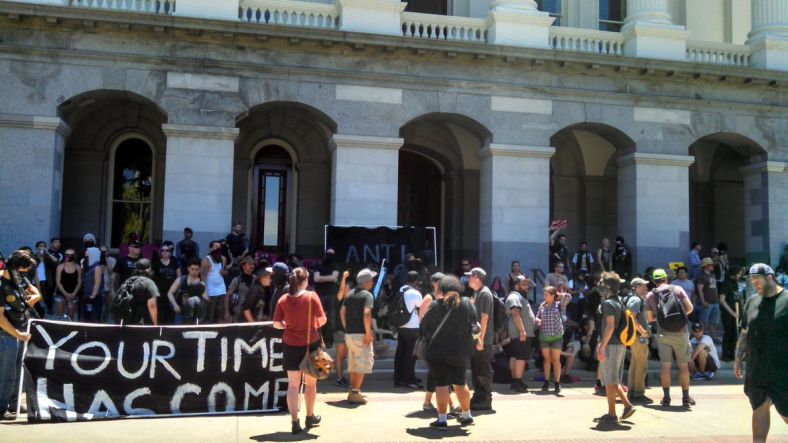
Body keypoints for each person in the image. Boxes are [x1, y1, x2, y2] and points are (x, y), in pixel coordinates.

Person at [734, 263, 787, 443]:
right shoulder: (752, 301)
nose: (754, 283)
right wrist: (738, 358)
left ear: (770, 278)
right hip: (758, 369)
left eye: (757, 279)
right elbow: (744, 331)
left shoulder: (786, 300)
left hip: (783, 370)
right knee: (759, 406)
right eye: (752, 279)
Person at [272, 267, 326, 434]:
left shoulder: (282, 299)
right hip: (311, 344)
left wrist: (288, 326)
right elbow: (322, 319)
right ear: (305, 280)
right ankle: (310, 417)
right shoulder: (312, 297)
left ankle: (295, 422)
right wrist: (312, 326)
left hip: (290, 345)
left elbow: (276, 324)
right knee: (311, 384)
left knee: (293, 386)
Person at [420, 274, 477, 430]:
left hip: (438, 352)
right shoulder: (467, 304)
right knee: (460, 382)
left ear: (441, 289)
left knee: (442, 384)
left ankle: (442, 420)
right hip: (461, 351)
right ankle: (466, 415)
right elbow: (475, 325)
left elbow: (424, 327)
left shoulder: (435, 305)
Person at [645, 268, 696, 407]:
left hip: (663, 333)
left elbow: (649, 319)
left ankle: (666, 398)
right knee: (683, 366)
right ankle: (685, 398)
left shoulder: (650, 295)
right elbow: (690, 307)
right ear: (666, 279)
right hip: (681, 332)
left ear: (654, 281)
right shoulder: (677, 289)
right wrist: (680, 315)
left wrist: (661, 318)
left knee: (665, 366)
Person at [0, 250, 41, 420]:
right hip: (6, 333)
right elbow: (0, 318)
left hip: (22, 329)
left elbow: (36, 292)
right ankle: (2, 407)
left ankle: (14, 403)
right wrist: (16, 333)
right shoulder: (1, 284)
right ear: (17, 267)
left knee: (19, 370)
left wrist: (34, 298)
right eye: (24, 269)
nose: (26, 273)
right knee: (7, 373)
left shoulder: (19, 277)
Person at [594, 271, 636, 424]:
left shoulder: (608, 304)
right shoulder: (619, 301)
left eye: (601, 282)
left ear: (608, 287)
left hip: (611, 345)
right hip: (620, 344)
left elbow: (610, 327)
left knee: (611, 379)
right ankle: (612, 413)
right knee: (611, 380)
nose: (599, 285)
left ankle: (626, 406)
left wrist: (601, 346)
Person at [340, 268, 377, 405]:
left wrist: (346, 327)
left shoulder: (349, 294)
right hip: (361, 334)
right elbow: (367, 313)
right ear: (366, 282)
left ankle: (353, 391)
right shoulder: (367, 295)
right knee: (361, 365)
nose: (372, 282)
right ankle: (355, 393)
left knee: (353, 364)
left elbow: (342, 312)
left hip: (350, 334)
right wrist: (368, 334)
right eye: (371, 280)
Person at [466, 267, 494, 411]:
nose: (467, 279)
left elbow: (484, 317)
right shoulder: (477, 293)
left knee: (483, 370)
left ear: (476, 277)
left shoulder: (484, 293)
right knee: (477, 369)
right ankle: (478, 397)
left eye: (470, 276)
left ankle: (485, 400)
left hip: (483, 340)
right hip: (476, 339)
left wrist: (481, 340)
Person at [536, 286, 571, 394]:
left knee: (556, 360)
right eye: (544, 294)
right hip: (544, 337)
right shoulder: (542, 305)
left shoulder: (559, 305)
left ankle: (557, 383)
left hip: (556, 337)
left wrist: (558, 294)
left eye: (546, 294)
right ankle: (546, 382)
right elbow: (537, 316)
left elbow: (568, 296)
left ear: (552, 295)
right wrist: (537, 320)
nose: (544, 296)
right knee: (547, 360)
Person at [506, 275, 536, 393]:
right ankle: (517, 381)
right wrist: (522, 331)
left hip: (519, 333)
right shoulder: (514, 296)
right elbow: (515, 313)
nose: (527, 286)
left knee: (515, 356)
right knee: (520, 357)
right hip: (520, 333)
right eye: (524, 284)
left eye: (527, 284)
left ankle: (516, 381)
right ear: (516, 285)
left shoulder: (519, 296)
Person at [394, 271, 423, 388]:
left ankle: (398, 378)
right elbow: (420, 309)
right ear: (416, 281)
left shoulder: (401, 290)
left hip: (401, 326)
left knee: (400, 353)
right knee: (411, 355)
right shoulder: (416, 293)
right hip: (413, 327)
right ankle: (409, 379)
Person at [626, 278, 651, 403]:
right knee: (641, 366)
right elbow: (632, 318)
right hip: (638, 337)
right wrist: (643, 332)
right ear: (636, 286)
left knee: (635, 365)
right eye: (643, 285)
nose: (646, 287)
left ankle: (632, 391)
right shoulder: (635, 300)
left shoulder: (637, 299)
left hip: (636, 337)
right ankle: (638, 393)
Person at [119, 259, 160, 326]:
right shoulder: (149, 283)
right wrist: (155, 324)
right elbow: (152, 305)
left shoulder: (128, 281)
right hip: (143, 323)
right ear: (149, 269)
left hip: (128, 323)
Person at [166, 258, 207, 325]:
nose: (194, 271)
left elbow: (205, 299)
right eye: (192, 269)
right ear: (188, 268)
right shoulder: (180, 280)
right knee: (178, 332)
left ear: (199, 269)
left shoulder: (201, 284)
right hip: (180, 311)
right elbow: (170, 293)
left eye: (197, 269)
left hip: (194, 314)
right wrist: (175, 305)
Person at [314, 250, 339, 346]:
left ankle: (328, 340)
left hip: (329, 295)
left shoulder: (334, 266)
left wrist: (322, 278)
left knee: (330, 319)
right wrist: (330, 278)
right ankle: (321, 340)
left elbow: (333, 278)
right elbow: (317, 278)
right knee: (320, 318)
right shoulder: (320, 266)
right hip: (321, 295)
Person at [719, 266, 744, 361]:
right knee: (728, 334)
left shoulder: (735, 284)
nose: (740, 275)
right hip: (728, 314)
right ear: (733, 274)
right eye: (738, 273)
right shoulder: (726, 284)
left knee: (735, 334)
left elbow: (738, 297)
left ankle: (733, 354)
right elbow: (722, 300)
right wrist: (732, 312)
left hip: (737, 313)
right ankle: (725, 354)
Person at [152, 242, 180, 324]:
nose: (165, 252)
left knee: (170, 315)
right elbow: (151, 277)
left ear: (170, 252)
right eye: (163, 250)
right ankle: (158, 334)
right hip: (159, 293)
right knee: (159, 315)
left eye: (167, 250)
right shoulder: (156, 263)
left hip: (171, 292)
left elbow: (179, 277)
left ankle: (169, 334)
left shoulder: (174, 262)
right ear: (160, 252)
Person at [201, 241, 228, 323]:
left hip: (221, 291)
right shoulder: (206, 260)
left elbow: (225, 271)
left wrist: (225, 272)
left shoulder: (223, 258)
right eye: (216, 246)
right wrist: (205, 292)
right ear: (211, 248)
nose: (218, 248)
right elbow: (203, 276)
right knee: (209, 317)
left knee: (221, 316)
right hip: (210, 292)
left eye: (219, 247)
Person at [223, 256, 256, 323]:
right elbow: (227, 295)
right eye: (249, 264)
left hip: (251, 312)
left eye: (253, 264)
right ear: (243, 266)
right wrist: (227, 312)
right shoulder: (237, 280)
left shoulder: (255, 279)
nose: (252, 266)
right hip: (238, 313)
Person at [333, 270, 351, 387]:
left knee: (344, 355)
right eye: (346, 289)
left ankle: (342, 377)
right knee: (340, 355)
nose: (347, 290)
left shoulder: (351, 301)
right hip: (340, 330)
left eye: (348, 289)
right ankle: (339, 378)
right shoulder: (339, 300)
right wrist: (344, 278)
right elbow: (340, 291)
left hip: (348, 331)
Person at [696, 257, 721, 343]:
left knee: (713, 322)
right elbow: (700, 290)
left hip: (715, 302)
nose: (712, 266)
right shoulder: (701, 276)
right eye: (710, 265)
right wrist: (703, 301)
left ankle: (714, 338)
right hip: (707, 302)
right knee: (703, 322)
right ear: (706, 266)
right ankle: (700, 338)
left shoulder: (713, 275)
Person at [54, 248, 81, 320]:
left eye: (71, 255)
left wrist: (73, 294)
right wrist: (66, 294)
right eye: (67, 255)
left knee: (70, 318)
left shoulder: (77, 267)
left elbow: (79, 282)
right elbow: (58, 282)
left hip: (73, 294)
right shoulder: (60, 267)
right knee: (60, 317)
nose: (69, 256)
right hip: (61, 294)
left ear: (74, 256)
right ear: (65, 255)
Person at [33, 240, 60, 315]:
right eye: (40, 246)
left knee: (49, 300)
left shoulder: (48, 258)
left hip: (47, 281)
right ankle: (38, 314)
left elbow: (57, 263)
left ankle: (49, 310)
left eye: (44, 246)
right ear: (36, 248)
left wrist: (48, 253)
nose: (42, 248)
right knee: (37, 301)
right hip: (36, 282)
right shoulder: (33, 257)